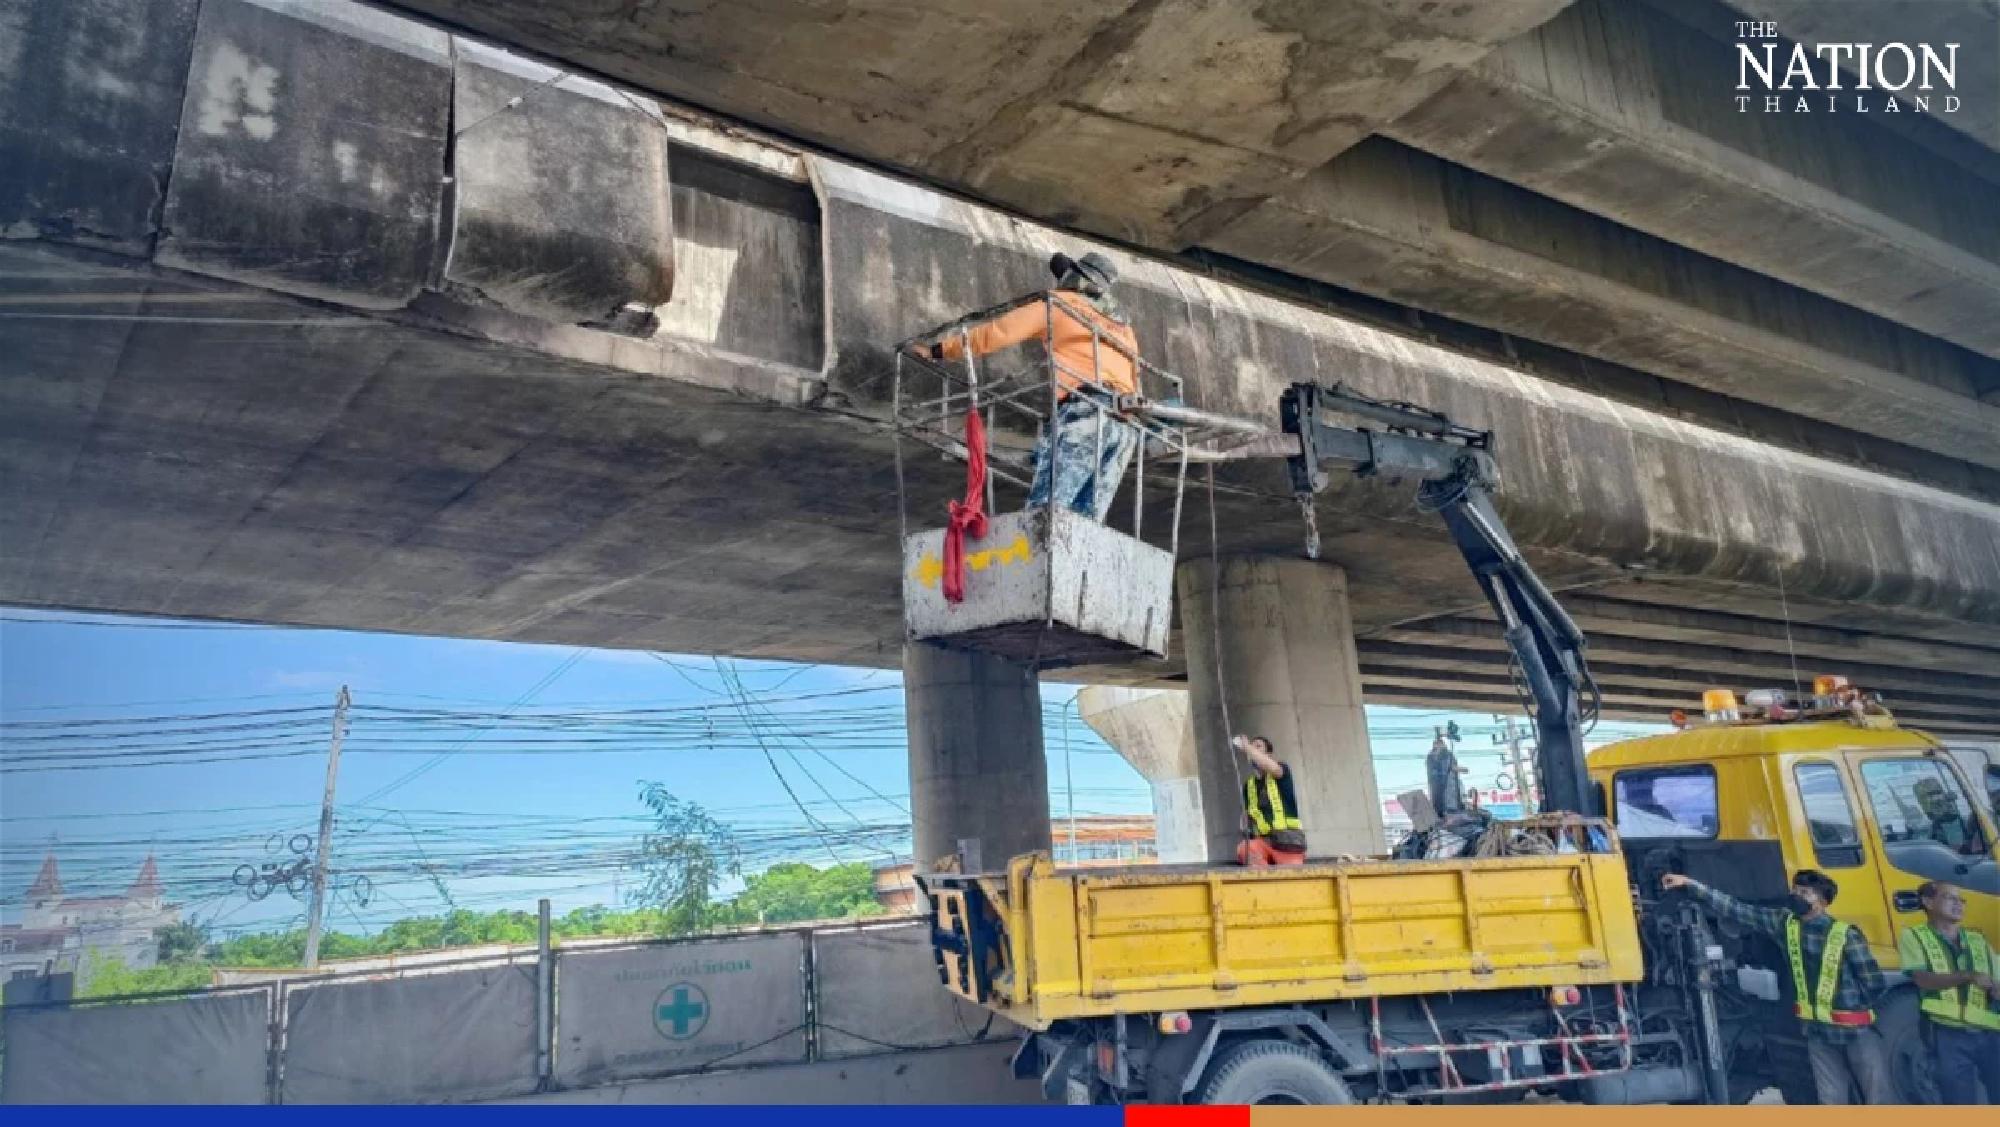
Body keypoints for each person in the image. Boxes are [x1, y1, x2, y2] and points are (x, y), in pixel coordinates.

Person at [926, 251, 1140, 520]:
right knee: (1087, 523)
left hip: (1085, 413)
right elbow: (1134, 373)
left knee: (1046, 513)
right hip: (1125, 425)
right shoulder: (1122, 327)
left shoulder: (1058, 305)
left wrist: (938, 350)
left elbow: (997, 332)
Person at [1661, 869, 1892, 1104]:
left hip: (1855, 1031)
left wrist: (1852, 1008)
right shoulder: (1784, 923)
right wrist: (1690, 884)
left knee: (1875, 1092)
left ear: (1822, 902)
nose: (1796, 896)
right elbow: (1736, 909)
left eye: (1805, 893)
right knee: (1831, 1096)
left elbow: (1873, 981)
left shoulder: (1845, 935)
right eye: (1795, 890)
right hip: (1817, 1032)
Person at [1898, 881, 2000, 1104]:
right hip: (1947, 1034)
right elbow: (1922, 980)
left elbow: (1997, 976)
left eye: (1961, 900)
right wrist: (1967, 976)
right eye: (1950, 898)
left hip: (1990, 1032)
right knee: (1959, 1102)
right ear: (1928, 902)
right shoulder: (1914, 936)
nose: (1959, 904)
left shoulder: (1977, 939)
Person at [1234, 734, 1307, 866]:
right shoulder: (1249, 786)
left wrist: (1248, 747)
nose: (1253, 749)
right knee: (1245, 849)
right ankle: (1263, 881)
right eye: (1252, 746)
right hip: (1264, 841)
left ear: (1269, 754)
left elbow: (1273, 768)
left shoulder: (1281, 770)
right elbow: (1249, 815)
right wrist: (1245, 822)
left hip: (1287, 841)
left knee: (1291, 878)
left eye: (1258, 746)